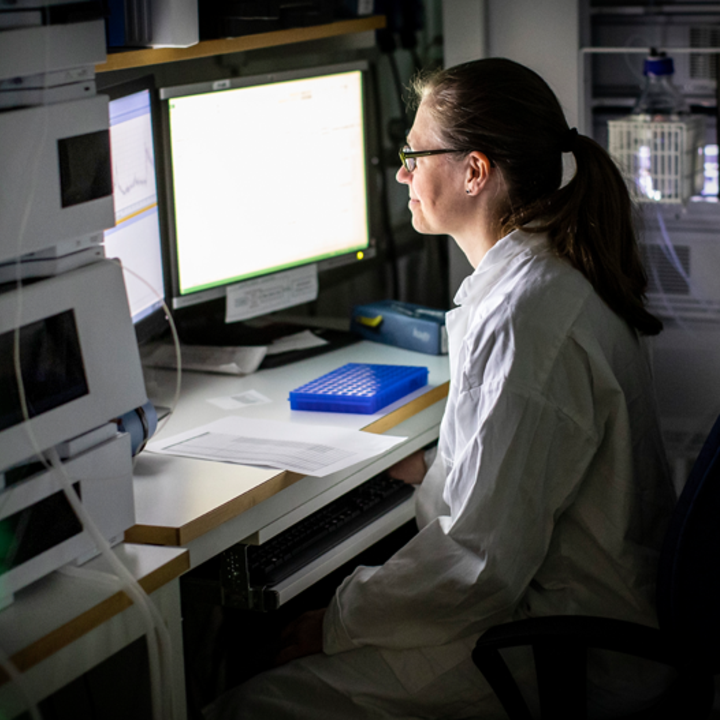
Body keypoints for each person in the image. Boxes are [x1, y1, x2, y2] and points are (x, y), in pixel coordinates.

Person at [206, 57, 676, 719]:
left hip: (559, 649)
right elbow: (517, 476)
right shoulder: (539, 280)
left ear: (475, 171)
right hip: (553, 610)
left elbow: (478, 568)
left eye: (414, 153)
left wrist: (333, 622)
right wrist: (435, 468)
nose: (401, 173)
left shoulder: (526, 318)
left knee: (255, 703)